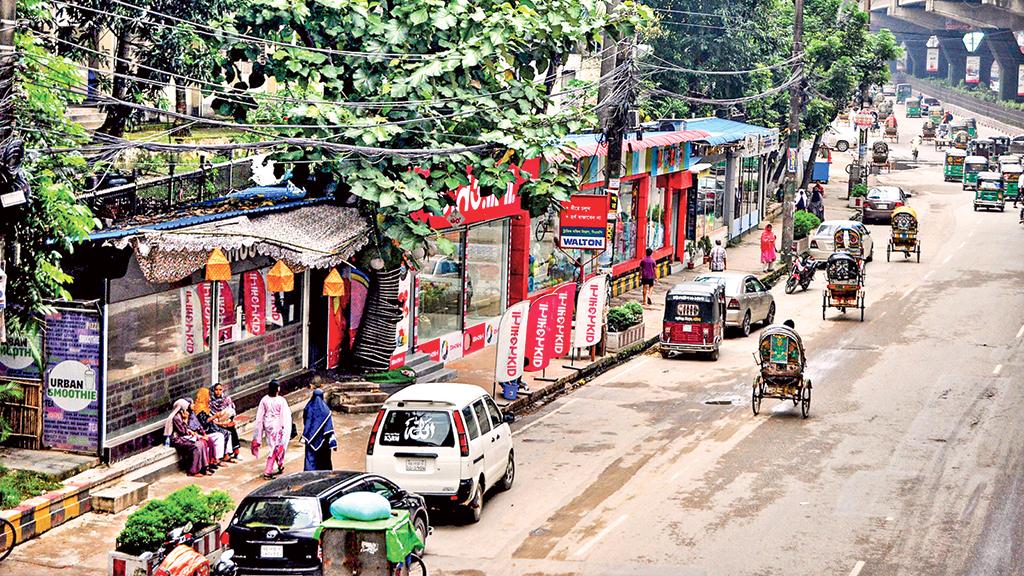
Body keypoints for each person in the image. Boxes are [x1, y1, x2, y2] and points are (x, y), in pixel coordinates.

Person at [253, 379, 291, 480]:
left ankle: (280, 464)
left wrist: (258, 434)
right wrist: (284, 428)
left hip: (268, 426)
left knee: (274, 446)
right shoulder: (281, 401)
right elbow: (284, 416)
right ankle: (268, 471)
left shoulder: (264, 399)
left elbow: (260, 416)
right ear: (277, 389)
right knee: (276, 448)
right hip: (277, 427)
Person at [164, 399, 211, 477]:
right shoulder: (175, 417)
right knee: (196, 446)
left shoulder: (182, 414)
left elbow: (186, 430)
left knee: (202, 443)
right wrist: (185, 420)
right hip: (177, 440)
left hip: (184, 437)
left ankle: (204, 468)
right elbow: (182, 431)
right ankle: (192, 471)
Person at [301, 384, 337, 471]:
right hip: (323, 442)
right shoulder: (326, 411)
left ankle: (309, 475)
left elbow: (305, 422)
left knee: (310, 459)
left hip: (310, 440)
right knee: (323, 462)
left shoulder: (307, 408)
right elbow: (329, 429)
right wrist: (333, 443)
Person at [194, 387, 234, 463]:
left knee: (228, 432)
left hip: (211, 426)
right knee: (221, 435)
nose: (209, 397)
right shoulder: (199, 409)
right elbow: (204, 423)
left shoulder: (205, 406)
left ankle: (226, 455)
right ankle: (217, 459)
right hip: (206, 429)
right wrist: (215, 416)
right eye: (208, 395)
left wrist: (220, 422)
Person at [187, 398, 227, 467]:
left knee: (220, 435)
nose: (208, 399)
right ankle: (208, 464)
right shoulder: (195, 412)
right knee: (205, 442)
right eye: (192, 404)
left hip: (203, 432)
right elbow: (198, 426)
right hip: (196, 435)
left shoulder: (195, 413)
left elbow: (200, 426)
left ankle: (217, 459)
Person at [211, 383, 240, 461]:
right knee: (226, 431)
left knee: (232, 428)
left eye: (220, 390)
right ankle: (226, 454)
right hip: (216, 423)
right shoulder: (210, 402)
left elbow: (231, 411)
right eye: (216, 390)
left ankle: (236, 452)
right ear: (213, 391)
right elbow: (211, 417)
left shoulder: (226, 399)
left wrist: (228, 421)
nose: (218, 392)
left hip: (226, 421)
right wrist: (220, 423)